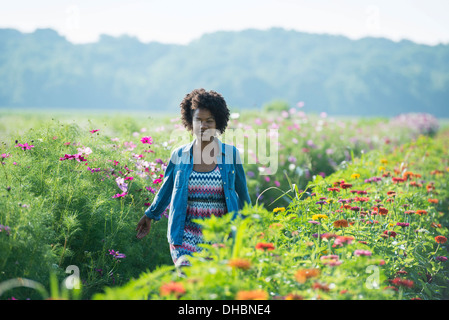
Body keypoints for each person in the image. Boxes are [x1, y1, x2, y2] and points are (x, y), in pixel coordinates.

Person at [136, 88, 252, 267]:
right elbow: (166, 189)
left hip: (221, 238)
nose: (203, 125)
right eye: (198, 120)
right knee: (188, 281)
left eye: (209, 121)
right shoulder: (179, 155)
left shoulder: (230, 155)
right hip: (184, 237)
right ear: (191, 122)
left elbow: (243, 194)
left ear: (217, 123)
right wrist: (150, 214)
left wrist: (249, 228)